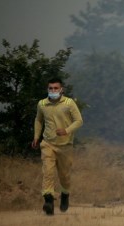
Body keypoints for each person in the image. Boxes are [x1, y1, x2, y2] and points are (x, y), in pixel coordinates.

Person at [31, 78, 83, 215]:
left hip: (65, 145)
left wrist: (66, 130)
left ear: (61, 90)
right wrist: (36, 137)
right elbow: (38, 120)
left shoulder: (69, 103)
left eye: (55, 88)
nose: (53, 91)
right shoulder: (42, 104)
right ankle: (48, 200)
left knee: (64, 175)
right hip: (48, 143)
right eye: (50, 88)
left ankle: (65, 194)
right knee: (47, 172)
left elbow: (79, 121)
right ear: (47, 89)